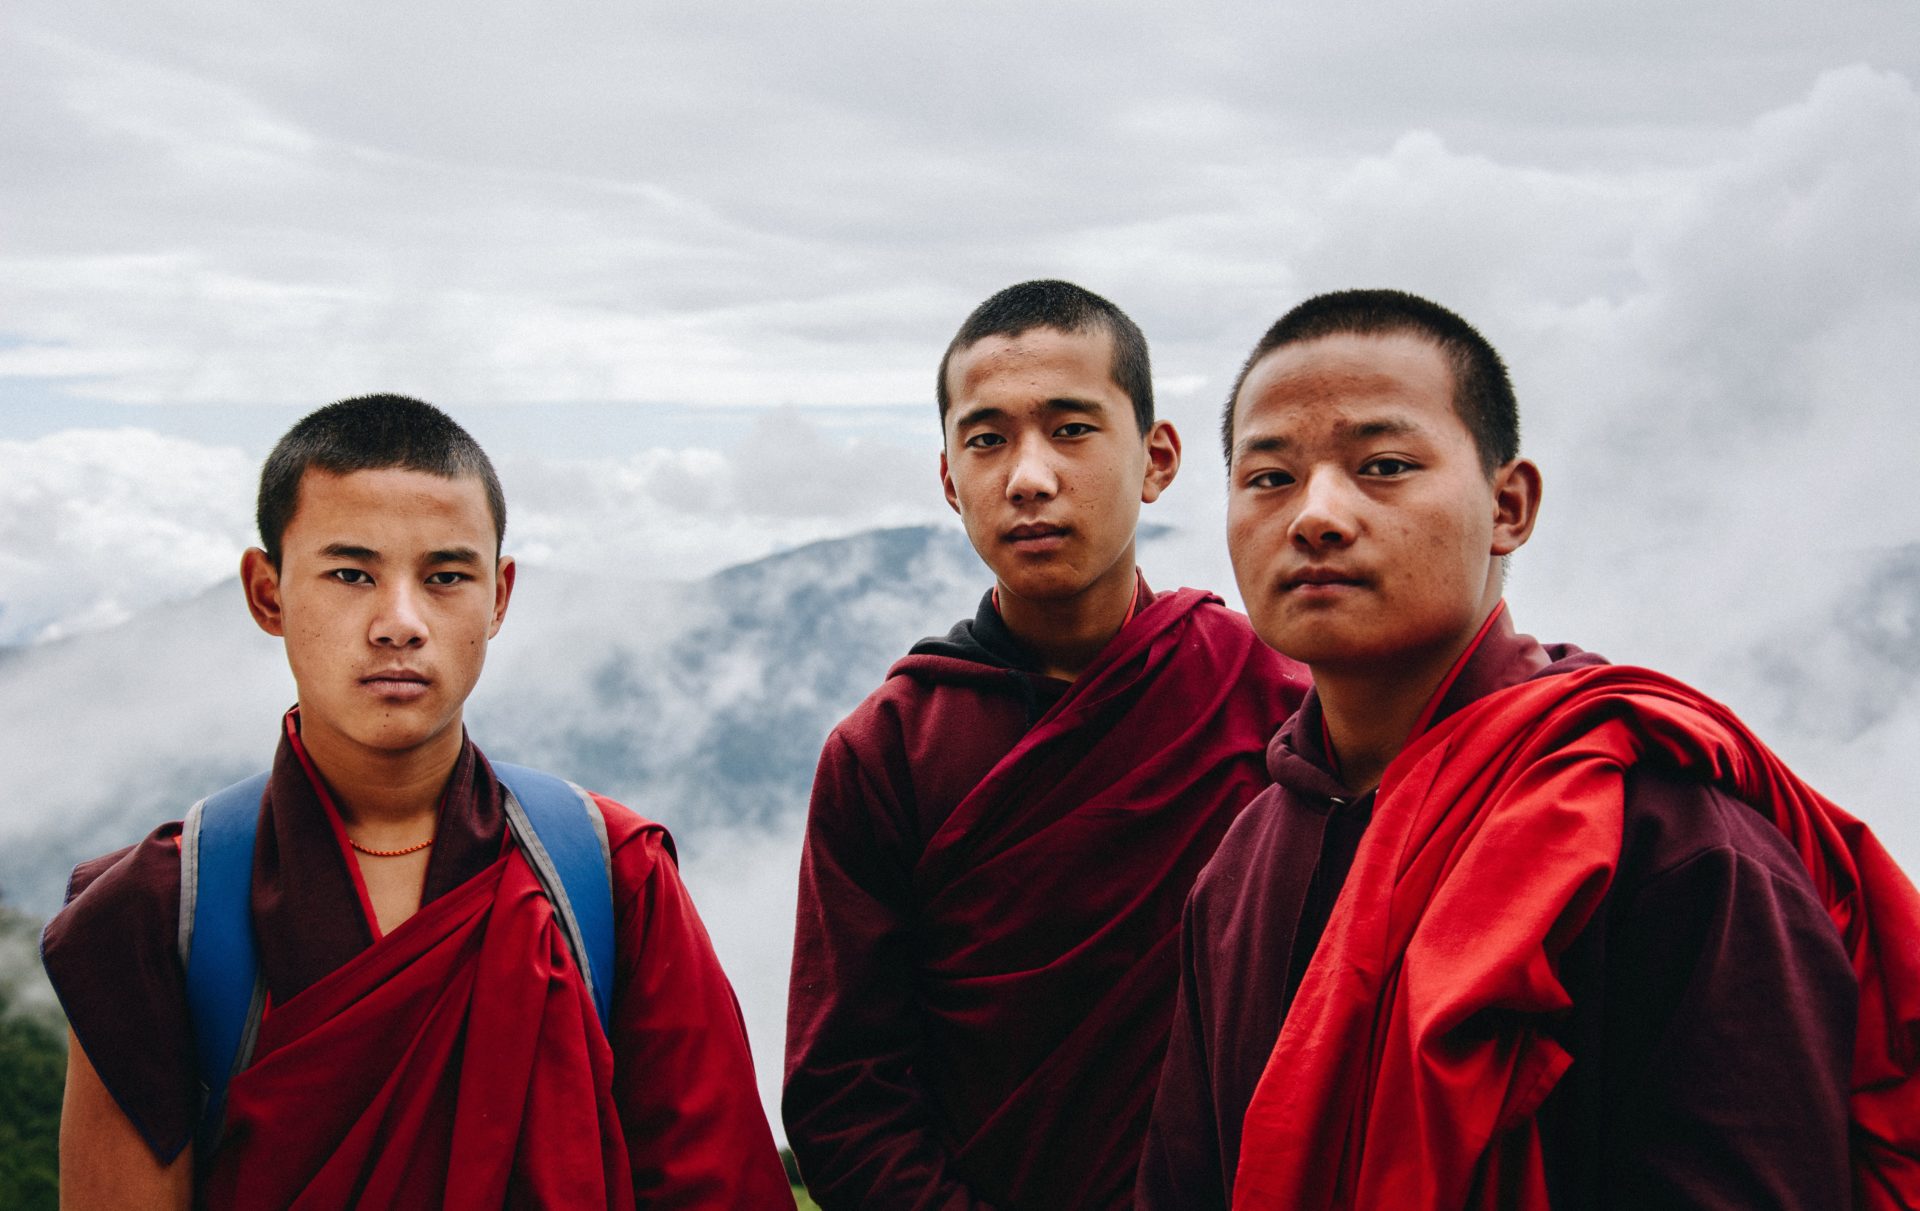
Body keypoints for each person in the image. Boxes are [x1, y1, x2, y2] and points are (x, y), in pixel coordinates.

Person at [1137, 289, 1920, 1210]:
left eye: (1383, 465)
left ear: (1510, 505)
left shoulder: (1664, 841)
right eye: (1270, 478)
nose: (1317, 515)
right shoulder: (1244, 864)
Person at [41, 394, 791, 1209]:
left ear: (498, 596)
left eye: (445, 577)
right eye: (351, 573)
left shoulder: (611, 876)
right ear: (268, 593)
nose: (400, 622)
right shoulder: (154, 915)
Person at [783, 279, 1309, 1209]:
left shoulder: (1271, 692)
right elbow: (843, 1094)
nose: (1028, 477)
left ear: (1156, 458)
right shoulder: (889, 751)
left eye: (1071, 429)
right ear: (951, 479)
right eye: (987, 439)